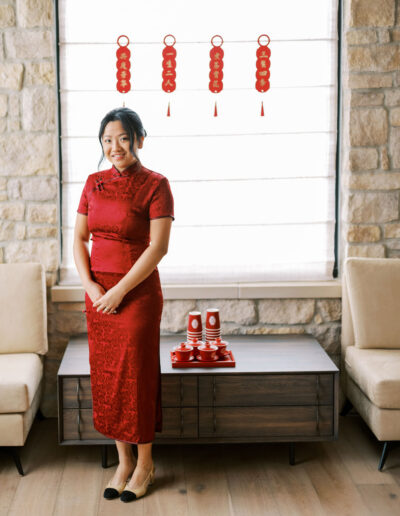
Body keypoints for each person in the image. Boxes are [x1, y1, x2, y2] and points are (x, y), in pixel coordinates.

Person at [73, 107, 174, 503]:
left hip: (137, 294)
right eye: (107, 140)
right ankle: (123, 461)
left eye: (122, 138)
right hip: (98, 294)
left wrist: (119, 292)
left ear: (139, 139)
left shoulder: (156, 184)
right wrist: (92, 287)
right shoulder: (93, 183)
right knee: (109, 375)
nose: (114, 147)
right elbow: (80, 240)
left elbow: (158, 247)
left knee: (138, 376)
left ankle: (145, 463)